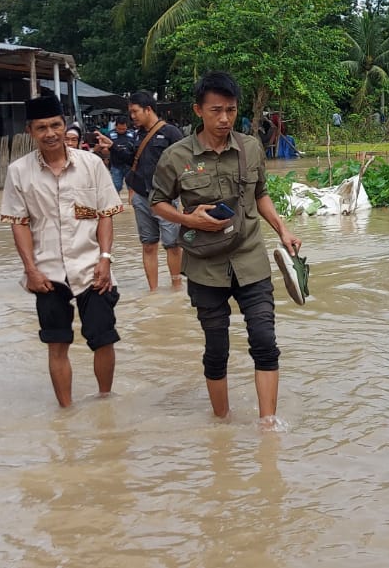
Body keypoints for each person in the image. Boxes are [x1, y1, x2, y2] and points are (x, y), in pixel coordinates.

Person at [151, 71, 301, 430]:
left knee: (265, 340)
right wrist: (189, 219)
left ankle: (268, 425)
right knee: (216, 348)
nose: (224, 119)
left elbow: (260, 193)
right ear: (198, 110)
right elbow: (157, 201)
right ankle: (221, 424)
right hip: (204, 265)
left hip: (251, 257)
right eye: (216, 110)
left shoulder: (250, 148)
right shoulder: (176, 156)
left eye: (231, 110)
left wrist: (283, 229)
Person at [0, 96, 124, 408]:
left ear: (64, 124)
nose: (51, 133)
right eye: (42, 128)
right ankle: (66, 412)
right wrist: (30, 270)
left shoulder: (91, 164)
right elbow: (20, 223)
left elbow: (105, 214)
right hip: (47, 271)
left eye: (56, 125)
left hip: (92, 266)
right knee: (57, 343)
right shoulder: (18, 172)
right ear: (30, 131)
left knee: (103, 339)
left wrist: (105, 260)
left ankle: (105, 401)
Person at [124, 92, 185, 291]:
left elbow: (185, 167)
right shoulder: (136, 134)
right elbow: (134, 164)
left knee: (172, 244)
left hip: (166, 198)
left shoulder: (171, 133)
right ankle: (153, 291)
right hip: (142, 196)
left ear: (148, 109)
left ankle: (176, 287)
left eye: (135, 111)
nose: (132, 116)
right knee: (148, 244)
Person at [97, 116, 136, 192]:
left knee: (132, 187)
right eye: (119, 129)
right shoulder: (109, 135)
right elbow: (104, 149)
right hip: (116, 165)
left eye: (124, 129)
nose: (122, 131)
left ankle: (132, 203)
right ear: (115, 126)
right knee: (116, 186)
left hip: (129, 165)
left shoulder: (132, 134)